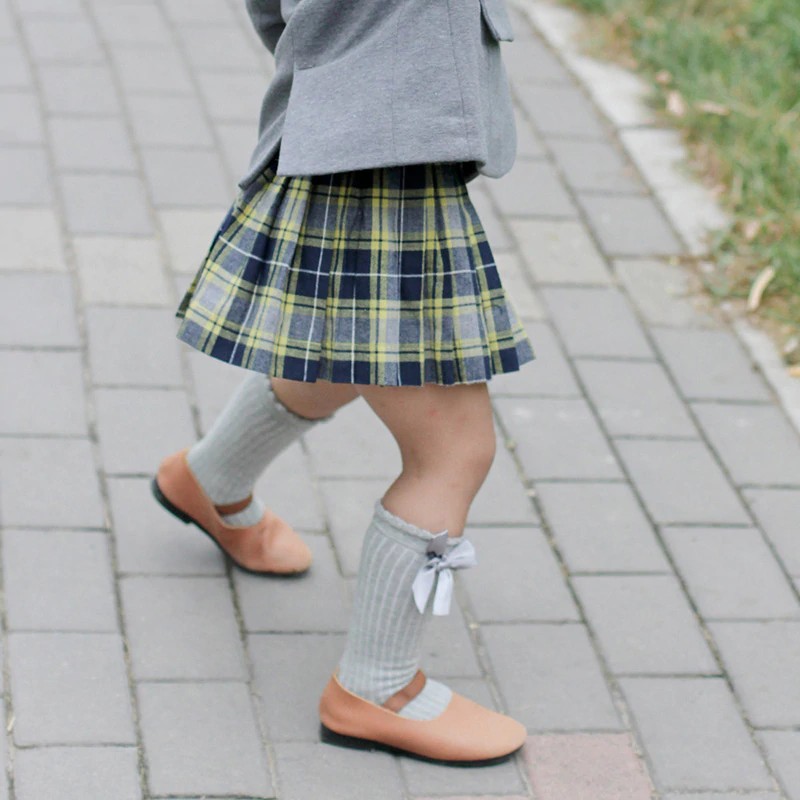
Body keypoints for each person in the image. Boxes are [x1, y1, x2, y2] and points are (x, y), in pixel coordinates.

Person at [152, 0, 534, 766]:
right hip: (379, 172)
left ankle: (209, 479)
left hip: (340, 136)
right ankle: (377, 688)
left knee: (340, 359)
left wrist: (326, 60)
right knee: (454, 450)